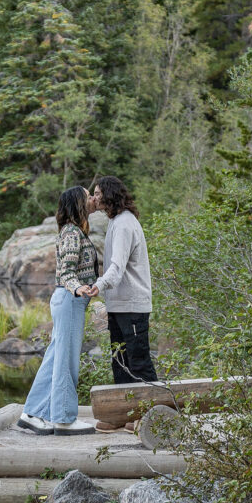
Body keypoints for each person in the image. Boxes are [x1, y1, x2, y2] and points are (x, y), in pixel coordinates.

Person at [18, 186, 97, 436]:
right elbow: (66, 273)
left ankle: (31, 414)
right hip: (69, 299)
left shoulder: (72, 231)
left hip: (67, 300)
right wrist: (79, 289)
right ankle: (63, 418)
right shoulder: (72, 233)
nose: (92, 199)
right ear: (78, 203)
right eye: (88, 196)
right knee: (66, 361)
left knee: (55, 358)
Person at [88, 176, 158, 433]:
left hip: (133, 306)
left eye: (97, 194)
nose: (94, 198)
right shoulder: (116, 222)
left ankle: (153, 416)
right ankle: (123, 415)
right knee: (120, 361)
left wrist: (99, 285)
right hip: (119, 305)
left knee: (138, 362)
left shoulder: (126, 223)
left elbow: (116, 267)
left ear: (109, 195)